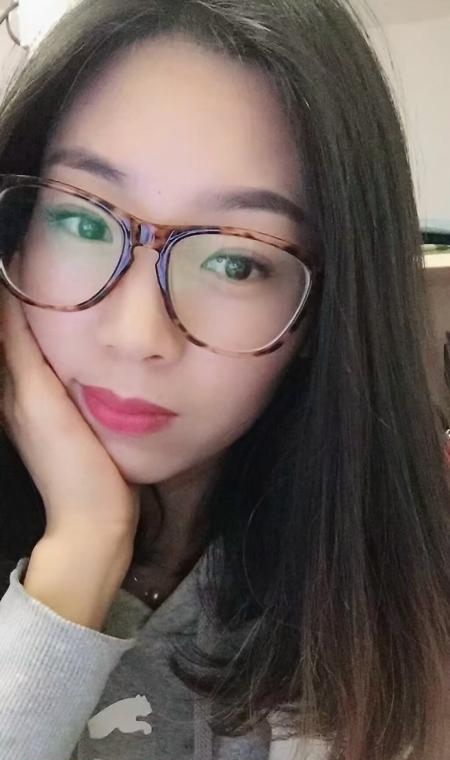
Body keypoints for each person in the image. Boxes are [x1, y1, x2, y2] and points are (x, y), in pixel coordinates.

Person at [0, 1, 449, 759]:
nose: (136, 335)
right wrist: (79, 556)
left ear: (324, 310)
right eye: (82, 220)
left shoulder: (399, 607)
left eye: (237, 261)